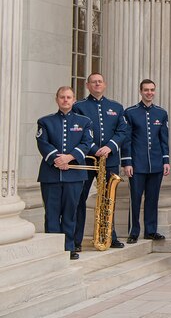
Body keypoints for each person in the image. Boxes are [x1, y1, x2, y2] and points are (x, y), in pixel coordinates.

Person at [72, 72, 128, 251]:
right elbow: (77, 132)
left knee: (108, 199)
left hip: (110, 159)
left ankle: (110, 236)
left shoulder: (116, 107)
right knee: (80, 199)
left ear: (105, 84)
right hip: (87, 159)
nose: (97, 84)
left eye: (100, 82)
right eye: (93, 82)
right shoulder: (79, 106)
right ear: (88, 85)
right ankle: (76, 240)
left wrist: (110, 147)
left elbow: (122, 131)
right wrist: (95, 149)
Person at [36, 86, 94, 259]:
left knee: (71, 212)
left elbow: (86, 143)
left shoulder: (85, 122)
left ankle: (69, 247)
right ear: (57, 99)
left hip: (74, 174)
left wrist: (69, 158)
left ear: (74, 99)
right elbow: (43, 143)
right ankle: (53, 249)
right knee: (52, 213)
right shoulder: (45, 121)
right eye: (62, 97)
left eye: (69, 97)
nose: (65, 100)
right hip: (50, 175)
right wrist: (57, 159)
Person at [122, 79, 170, 243]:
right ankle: (133, 231)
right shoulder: (130, 112)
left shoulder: (161, 113)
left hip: (156, 164)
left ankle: (151, 230)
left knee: (152, 198)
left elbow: (164, 139)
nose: (149, 93)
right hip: (137, 164)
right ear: (140, 91)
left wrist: (166, 161)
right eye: (146, 90)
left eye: (152, 90)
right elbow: (126, 139)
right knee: (135, 198)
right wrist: (127, 162)